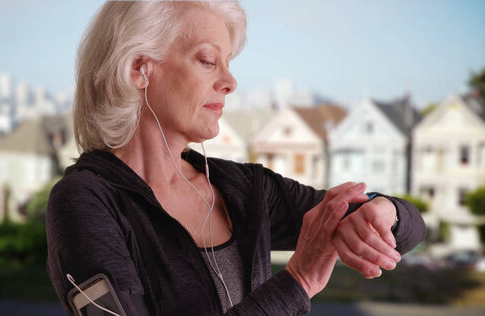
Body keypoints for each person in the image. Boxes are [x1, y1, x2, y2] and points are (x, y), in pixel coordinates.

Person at [46, 1, 426, 315]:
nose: (230, 82)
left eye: (229, 63)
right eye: (208, 61)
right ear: (140, 69)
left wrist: (382, 213)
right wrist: (298, 282)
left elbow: (410, 226)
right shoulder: (85, 201)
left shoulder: (247, 189)